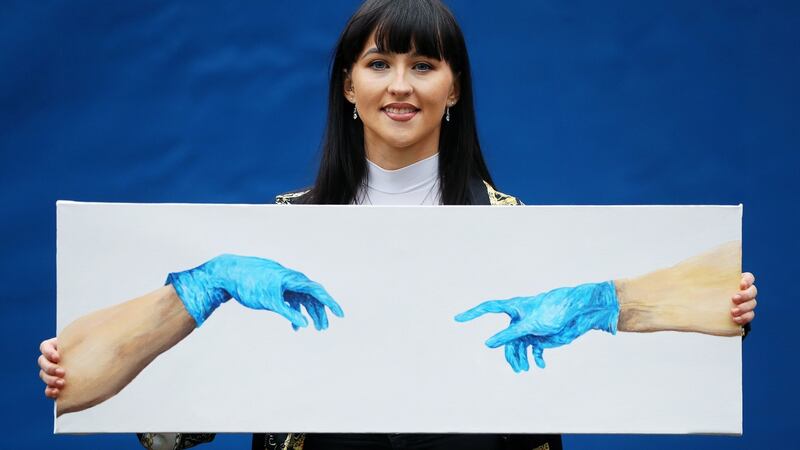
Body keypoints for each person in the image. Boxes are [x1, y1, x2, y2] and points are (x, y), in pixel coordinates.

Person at [38, 0, 758, 449]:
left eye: (424, 65)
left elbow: (702, 316)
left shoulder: (516, 230)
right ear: (349, 87)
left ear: (454, 87)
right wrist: (207, 283)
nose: (401, 86)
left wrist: (650, 303)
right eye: (380, 63)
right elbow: (98, 386)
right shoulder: (276, 239)